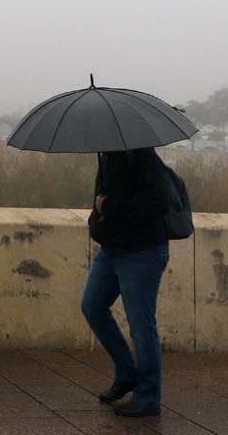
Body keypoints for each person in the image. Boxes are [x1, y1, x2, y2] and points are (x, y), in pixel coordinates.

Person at [81, 147, 172, 418]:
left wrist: (108, 207)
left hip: (142, 252)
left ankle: (148, 398)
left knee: (142, 327)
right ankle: (127, 374)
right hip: (112, 249)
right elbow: (104, 198)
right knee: (92, 306)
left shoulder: (142, 157)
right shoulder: (107, 155)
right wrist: (97, 219)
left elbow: (158, 203)